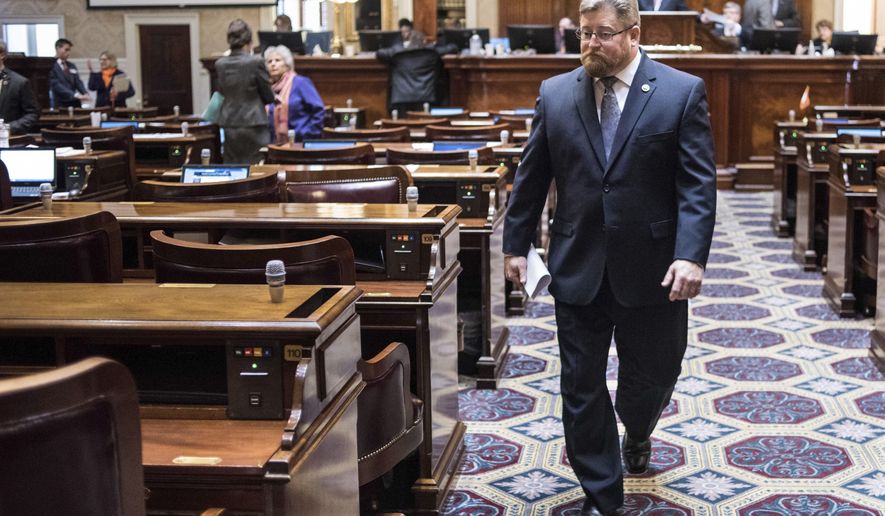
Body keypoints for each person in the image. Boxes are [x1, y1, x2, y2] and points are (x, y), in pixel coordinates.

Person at [502, 0, 716, 514]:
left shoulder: (680, 91)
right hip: (577, 263)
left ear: (634, 33)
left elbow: (697, 185)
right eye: (582, 35)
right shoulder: (555, 94)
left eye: (602, 34)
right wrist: (516, 244)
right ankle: (602, 494)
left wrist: (691, 256)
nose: (590, 45)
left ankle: (638, 429)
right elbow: (532, 177)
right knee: (580, 384)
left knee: (654, 376)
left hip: (655, 269)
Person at [215, 19, 275, 164]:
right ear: (249, 42)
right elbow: (268, 96)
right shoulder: (256, 62)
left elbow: (221, 93)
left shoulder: (220, 64)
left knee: (233, 168)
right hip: (254, 123)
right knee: (258, 169)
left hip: (230, 123)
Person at [263, 45, 324, 144]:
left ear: (287, 64)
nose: (273, 64)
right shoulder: (268, 89)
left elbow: (318, 110)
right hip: (276, 146)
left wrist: (308, 134)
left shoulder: (300, 82)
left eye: (277, 60)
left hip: (301, 142)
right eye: (269, 61)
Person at [0, 40, 39, 134]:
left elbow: (32, 114)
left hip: (9, 141)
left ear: (2, 55)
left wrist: (8, 128)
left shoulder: (19, 82)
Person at [48, 38, 90, 108]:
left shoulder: (71, 65)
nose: (68, 53)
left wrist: (85, 93)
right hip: (61, 104)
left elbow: (78, 81)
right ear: (58, 48)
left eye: (69, 50)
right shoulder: (50, 65)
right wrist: (75, 95)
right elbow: (56, 85)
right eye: (66, 50)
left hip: (75, 103)